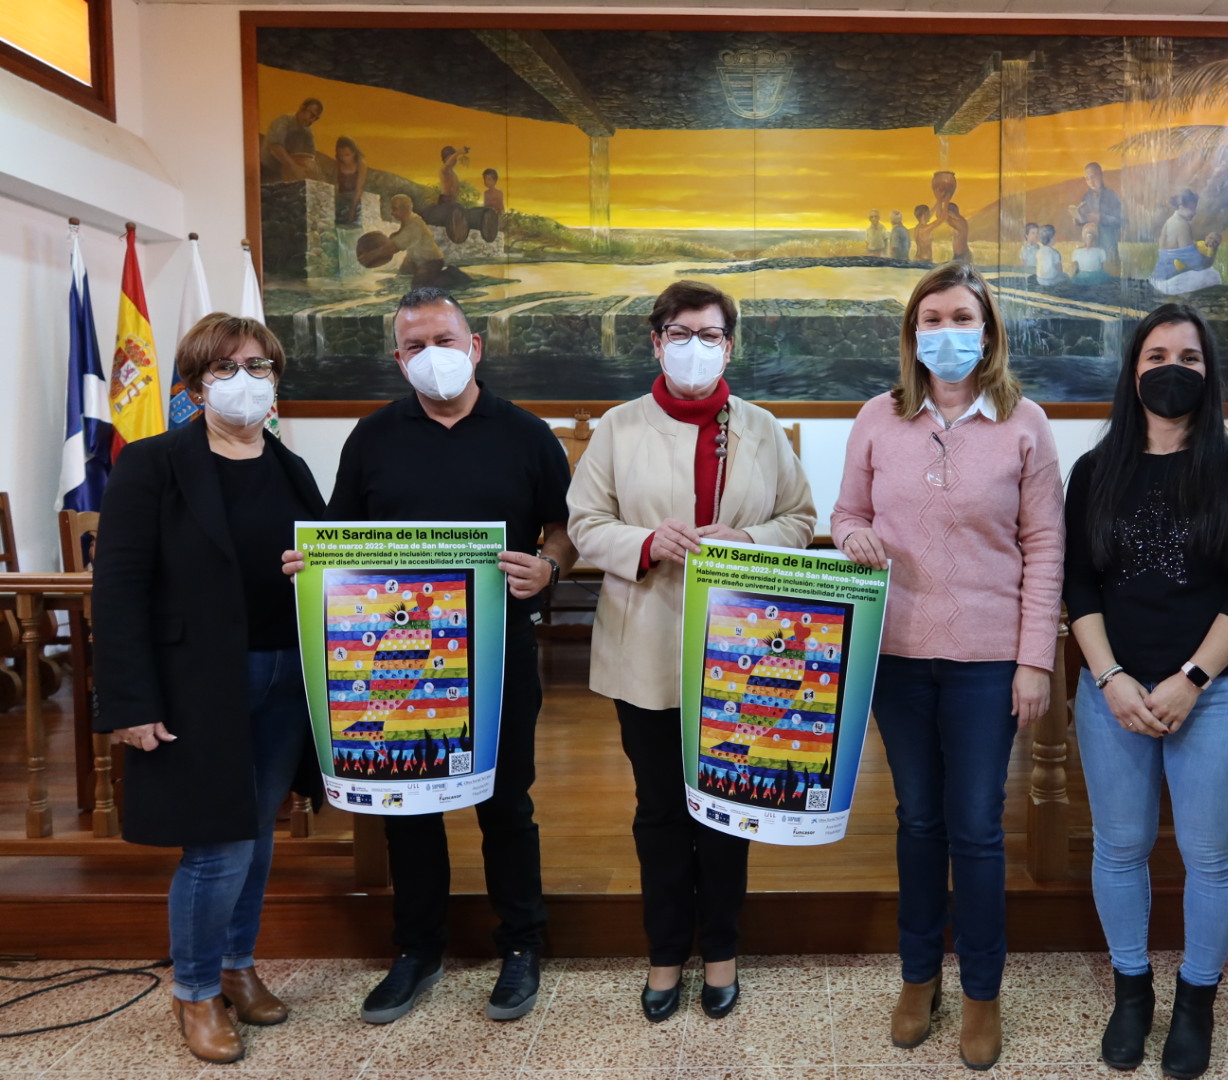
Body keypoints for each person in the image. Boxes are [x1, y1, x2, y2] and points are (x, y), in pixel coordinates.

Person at [283, 287, 577, 1025]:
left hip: (498, 650)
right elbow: (341, 537)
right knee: (408, 806)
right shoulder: (372, 437)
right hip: (398, 656)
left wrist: (549, 567)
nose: (432, 355)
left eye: (445, 340)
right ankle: (417, 948)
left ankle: (522, 942)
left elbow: (564, 529)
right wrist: (311, 568)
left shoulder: (527, 434)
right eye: (416, 345)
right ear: (398, 359)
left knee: (506, 803)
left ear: (475, 347)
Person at [830, 261, 1064, 1071]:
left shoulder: (1026, 423)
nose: (946, 332)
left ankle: (982, 992)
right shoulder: (878, 416)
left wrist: (1034, 660)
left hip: (987, 662)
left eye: (961, 317)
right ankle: (918, 975)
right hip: (897, 656)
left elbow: (1045, 545)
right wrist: (851, 535)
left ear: (988, 331)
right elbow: (846, 512)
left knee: (977, 829)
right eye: (931, 319)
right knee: (919, 822)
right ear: (912, 334)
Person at [567, 280, 815, 1024]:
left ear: (729, 346)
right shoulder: (618, 427)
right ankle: (666, 951)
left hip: (742, 655)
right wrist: (646, 541)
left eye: (710, 335)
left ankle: (723, 950)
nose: (696, 347)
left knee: (728, 808)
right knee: (660, 811)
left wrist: (749, 539)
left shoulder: (762, 428)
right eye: (681, 333)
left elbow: (800, 518)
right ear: (657, 342)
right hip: (645, 644)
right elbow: (585, 524)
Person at [93, 314, 326, 1064]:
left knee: (255, 835)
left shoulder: (290, 466)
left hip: (285, 674)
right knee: (218, 843)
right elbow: (118, 589)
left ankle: (236, 964)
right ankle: (195, 992)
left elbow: (325, 561)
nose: (245, 380)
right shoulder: (152, 464)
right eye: (225, 368)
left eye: (259, 366)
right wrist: (129, 701)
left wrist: (317, 569)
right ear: (195, 386)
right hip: (198, 683)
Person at [1062, 302, 1228, 1080]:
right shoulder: (1095, 471)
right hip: (1111, 694)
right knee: (1119, 848)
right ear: (1133, 371)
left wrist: (1190, 680)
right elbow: (1078, 585)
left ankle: (1195, 1001)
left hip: (1214, 695)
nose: (1171, 370)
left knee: (1211, 856)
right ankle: (1131, 994)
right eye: (1156, 356)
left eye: (1189, 357)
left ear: (1209, 373)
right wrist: (1110, 678)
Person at [1151, 192, 1223, 295]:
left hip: (1158, 279)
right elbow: (1198, 264)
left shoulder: (1170, 221)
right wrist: (1214, 250)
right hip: (1169, 283)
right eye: (1192, 209)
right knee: (1214, 275)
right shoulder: (1181, 225)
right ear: (1181, 207)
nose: (1194, 213)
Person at [1068, 161, 1123, 271]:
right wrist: (1079, 220)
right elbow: (1085, 220)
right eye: (1087, 178)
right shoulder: (1086, 198)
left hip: (1108, 243)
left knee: (1109, 272)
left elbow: (1120, 221)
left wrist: (1100, 218)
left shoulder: (1112, 196)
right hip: (1091, 243)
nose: (1090, 181)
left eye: (1093, 177)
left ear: (1101, 175)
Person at [260, 98, 322, 183]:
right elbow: (275, 147)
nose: (312, 120)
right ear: (302, 108)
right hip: (267, 171)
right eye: (311, 115)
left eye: (316, 118)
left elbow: (311, 156)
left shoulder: (307, 132)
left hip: (285, 175)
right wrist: (294, 167)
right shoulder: (283, 121)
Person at [334, 136, 368, 226]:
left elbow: (359, 188)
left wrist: (353, 209)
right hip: (341, 199)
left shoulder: (361, 164)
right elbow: (336, 185)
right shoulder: (337, 164)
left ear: (353, 153)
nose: (344, 158)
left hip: (356, 199)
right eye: (341, 155)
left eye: (347, 155)